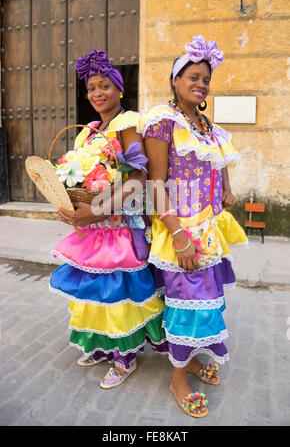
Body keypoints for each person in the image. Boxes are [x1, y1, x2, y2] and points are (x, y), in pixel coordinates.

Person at [139, 35, 248, 417]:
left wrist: (228, 188)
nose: (200, 84)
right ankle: (178, 378)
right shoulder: (162, 120)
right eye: (193, 77)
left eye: (205, 79)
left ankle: (189, 359)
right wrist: (179, 235)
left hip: (208, 226)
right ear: (175, 80)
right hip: (180, 228)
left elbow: (218, 162)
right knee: (191, 306)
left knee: (204, 302)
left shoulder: (204, 124)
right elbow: (155, 184)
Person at [49, 49, 167, 389]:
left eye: (104, 86)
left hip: (118, 228)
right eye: (91, 88)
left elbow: (138, 180)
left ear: (119, 90)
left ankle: (124, 357)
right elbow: (76, 176)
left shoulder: (127, 124)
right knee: (93, 292)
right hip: (92, 229)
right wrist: (71, 207)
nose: (97, 93)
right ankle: (101, 345)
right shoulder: (88, 131)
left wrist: (96, 212)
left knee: (118, 295)